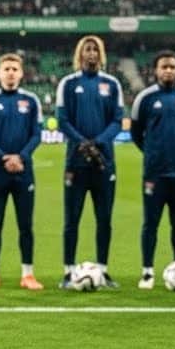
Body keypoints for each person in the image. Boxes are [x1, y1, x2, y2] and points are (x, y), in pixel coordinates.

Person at [56, 35, 125, 289]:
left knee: (104, 219)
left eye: (96, 49)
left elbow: (118, 120)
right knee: (71, 219)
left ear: (101, 54)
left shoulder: (112, 84)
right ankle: (68, 271)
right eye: (87, 49)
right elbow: (62, 119)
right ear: (80, 54)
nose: (92, 53)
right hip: (75, 162)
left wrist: (98, 143)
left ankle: (104, 271)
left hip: (104, 163)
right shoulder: (68, 83)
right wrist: (83, 144)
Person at [129, 50, 175, 290]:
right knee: (151, 224)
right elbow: (136, 134)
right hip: (154, 173)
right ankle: (147, 272)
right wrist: (152, 152)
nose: (168, 70)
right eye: (164, 67)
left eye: (172, 67)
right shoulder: (145, 98)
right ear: (155, 70)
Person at [0, 53, 44, 291]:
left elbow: (37, 134)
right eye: (7, 69)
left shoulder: (32, 100)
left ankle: (28, 274)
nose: (11, 72)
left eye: (15, 68)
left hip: (24, 171)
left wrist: (21, 157)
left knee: (26, 225)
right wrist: (4, 157)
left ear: (22, 73)